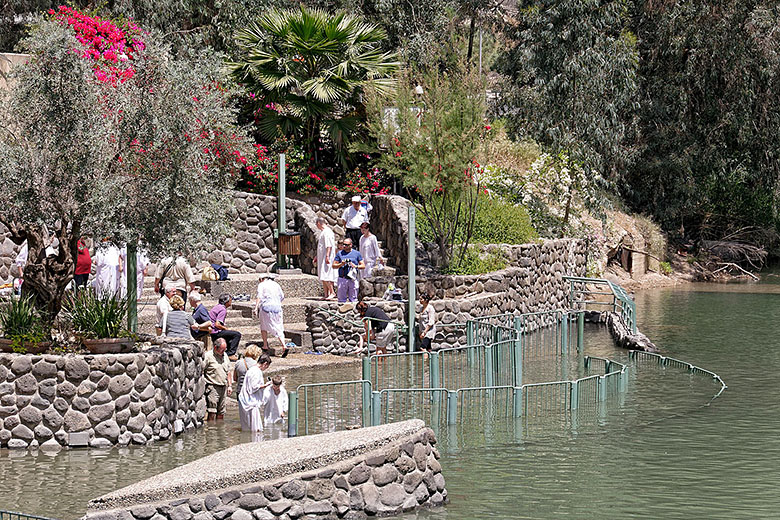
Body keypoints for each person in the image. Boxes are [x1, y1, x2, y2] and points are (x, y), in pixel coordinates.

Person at [254, 273, 288, 356]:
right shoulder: (276, 284)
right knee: (279, 327)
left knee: (263, 326)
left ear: (261, 279)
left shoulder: (261, 285)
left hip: (266, 307)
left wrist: (256, 307)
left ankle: (265, 345)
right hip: (277, 308)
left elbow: (259, 296)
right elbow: (282, 296)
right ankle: (284, 345)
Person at [238, 353, 272, 432]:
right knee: (256, 429)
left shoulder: (251, 369)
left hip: (245, 400)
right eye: (267, 367)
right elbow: (254, 387)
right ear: (265, 364)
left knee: (246, 427)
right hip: (251, 402)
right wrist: (266, 385)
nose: (266, 369)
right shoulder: (257, 371)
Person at [203, 338, 233, 421]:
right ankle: (211, 430)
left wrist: (230, 385)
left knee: (221, 412)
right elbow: (202, 370)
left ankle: (219, 430)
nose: (224, 351)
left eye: (225, 349)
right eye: (222, 349)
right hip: (213, 387)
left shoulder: (225, 355)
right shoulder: (208, 356)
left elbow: (228, 371)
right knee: (212, 411)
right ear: (215, 348)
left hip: (223, 387)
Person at [209, 293, 242, 360]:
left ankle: (225, 353)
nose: (231, 302)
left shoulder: (217, 307)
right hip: (215, 332)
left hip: (212, 330)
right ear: (226, 301)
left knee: (230, 336)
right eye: (230, 300)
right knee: (237, 334)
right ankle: (230, 354)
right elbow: (217, 324)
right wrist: (225, 328)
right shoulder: (223, 309)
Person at [332, 238, 364, 303]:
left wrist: (355, 266)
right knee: (341, 300)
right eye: (343, 244)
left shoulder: (357, 253)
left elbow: (363, 265)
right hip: (342, 278)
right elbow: (333, 265)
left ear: (351, 245)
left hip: (353, 278)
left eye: (346, 245)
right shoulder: (339, 253)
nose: (344, 246)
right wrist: (341, 264)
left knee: (353, 300)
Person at [315, 217, 337, 300]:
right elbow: (321, 247)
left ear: (318, 224)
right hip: (322, 256)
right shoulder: (324, 232)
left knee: (326, 275)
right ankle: (326, 294)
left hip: (326, 257)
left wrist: (327, 256)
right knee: (322, 275)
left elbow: (329, 245)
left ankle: (332, 292)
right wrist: (317, 256)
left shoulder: (327, 232)